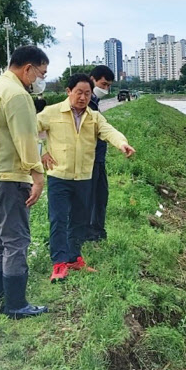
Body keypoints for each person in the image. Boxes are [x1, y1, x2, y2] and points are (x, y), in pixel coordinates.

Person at [38, 73, 136, 283]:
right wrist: (42, 151)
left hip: (83, 177)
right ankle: (59, 263)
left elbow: (109, 131)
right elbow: (28, 131)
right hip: (59, 177)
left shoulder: (93, 117)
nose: (83, 97)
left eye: (87, 93)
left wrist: (122, 144)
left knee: (80, 219)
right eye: (79, 92)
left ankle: (74, 257)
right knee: (58, 219)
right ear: (69, 92)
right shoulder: (52, 112)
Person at [0, 46, 49, 320]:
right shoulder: (17, 94)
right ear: (27, 68)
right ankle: (16, 304)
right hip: (9, 175)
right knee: (16, 240)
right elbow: (26, 139)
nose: (39, 79)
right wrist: (38, 175)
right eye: (40, 73)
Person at [86, 65, 114, 242]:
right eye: (103, 84)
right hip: (91, 158)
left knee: (100, 195)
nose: (106, 89)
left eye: (108, 85)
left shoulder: (95, 102)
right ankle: (92, 233)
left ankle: (96, 231)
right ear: (92, 79)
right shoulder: (87, 103)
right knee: (93, 197)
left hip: (98, 157)